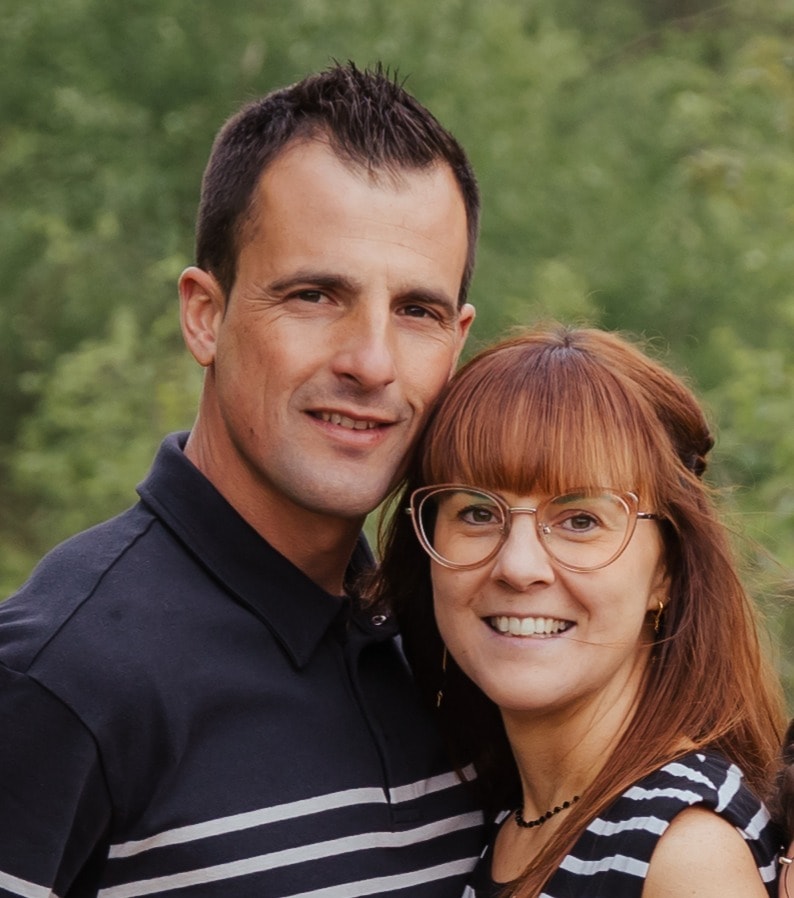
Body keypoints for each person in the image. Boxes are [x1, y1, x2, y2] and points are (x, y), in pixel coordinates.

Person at [0, 63, 483, 897]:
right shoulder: (58, 679)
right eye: (315, 294)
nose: (371, 362)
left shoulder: (466, 637)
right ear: (205, 314)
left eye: (417, 311)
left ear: (459, 341)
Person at [373, 325, 786, 898]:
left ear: (664, 570)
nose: (518, 566)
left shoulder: (683, 853)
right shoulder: (506, 815)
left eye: (580, 521)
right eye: (475, 512)